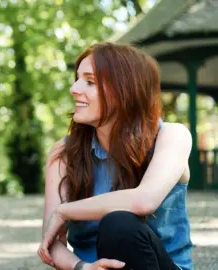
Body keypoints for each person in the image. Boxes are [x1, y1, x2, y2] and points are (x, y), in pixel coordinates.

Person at [37, 42, 193, 270]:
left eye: (89, 82)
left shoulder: (172, 136)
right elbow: (51, 242)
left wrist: (64, 211)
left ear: (124, 91)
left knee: (118, 223)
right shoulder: (64, 153)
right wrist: (84, 268)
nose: (74, 88)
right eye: (77, 78)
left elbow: (143, 201)